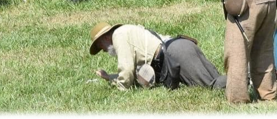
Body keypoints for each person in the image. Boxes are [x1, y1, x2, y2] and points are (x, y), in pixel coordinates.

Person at [89, 23, 226, 90]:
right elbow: (136, 75)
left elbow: (127, 70)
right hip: (180, 48)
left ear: (105, 38)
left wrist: (120, 88)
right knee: (215, 80)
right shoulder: (126, 31)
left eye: (100, 45)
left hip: (176, 54)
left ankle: (240, 80)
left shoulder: (118, 36)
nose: (103, 50)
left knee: (213, 86)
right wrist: (110, 77)